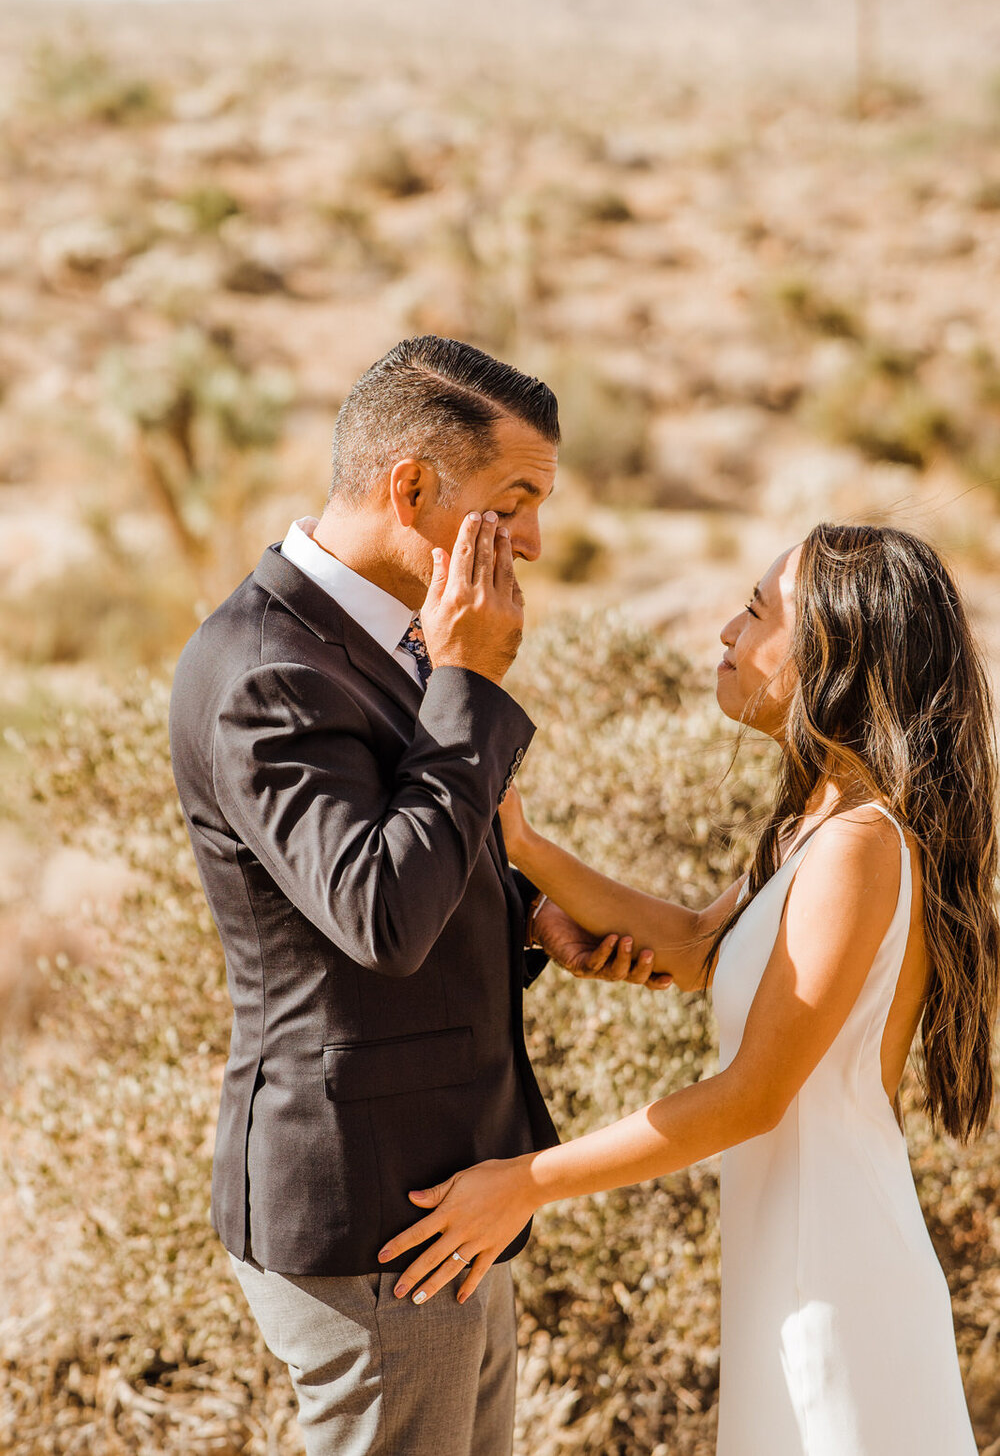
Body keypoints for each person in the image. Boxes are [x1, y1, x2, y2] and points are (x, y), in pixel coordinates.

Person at [380, 522, 998, 1456]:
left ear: (835, 647)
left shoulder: (861, 846)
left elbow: (752, 1097)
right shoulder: (819, 827)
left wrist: (524, 1183)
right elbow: (697, 945)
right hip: (794, 1253)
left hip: (831, 1266)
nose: (724, 633)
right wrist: (529, 851)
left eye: (755, 613)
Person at [169, 335, 664, 1456]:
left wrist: (528, 923)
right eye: (517, 500)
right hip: (373, 1213)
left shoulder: (377, 637)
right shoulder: (268, 669)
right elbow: (379, 915)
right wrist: (470, 682)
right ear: (411, 487)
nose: (535, 540)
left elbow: (391, 877)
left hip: (448, 1190)